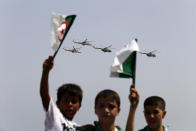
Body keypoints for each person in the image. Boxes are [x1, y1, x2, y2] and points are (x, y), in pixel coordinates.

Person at [40, 56, 83, 131]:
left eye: (74, 101)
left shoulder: (79, 128)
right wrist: (45, 71)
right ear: (57, 103)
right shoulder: (54, 115)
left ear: (79, 106)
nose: (70, 104)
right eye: (66, 101)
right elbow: (44, 94)